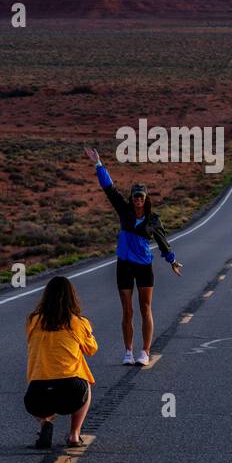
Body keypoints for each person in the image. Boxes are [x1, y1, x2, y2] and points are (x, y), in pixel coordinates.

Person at [84, 147, 182, 366]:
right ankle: (128, 351)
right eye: (135, 196)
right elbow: (109, 189)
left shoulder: (153, 220)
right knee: (126, 310)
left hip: (144, 267)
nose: (137, 199)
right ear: (132, 198)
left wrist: (172, 260)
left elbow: (163, 243)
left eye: (141, 196)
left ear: (146, 199)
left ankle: (145, 351)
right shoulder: (124, 211)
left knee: (145, 308)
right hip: (124, 266)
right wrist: (98, 164)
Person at [24, 276, 98, 448]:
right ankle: (74, 434)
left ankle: (44, 423)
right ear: (72, 298)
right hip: (71, 390)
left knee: (38, 391)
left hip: (37, 393)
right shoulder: (78, 322)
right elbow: (92, 349)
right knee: (86, 382)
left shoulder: (33, 320)